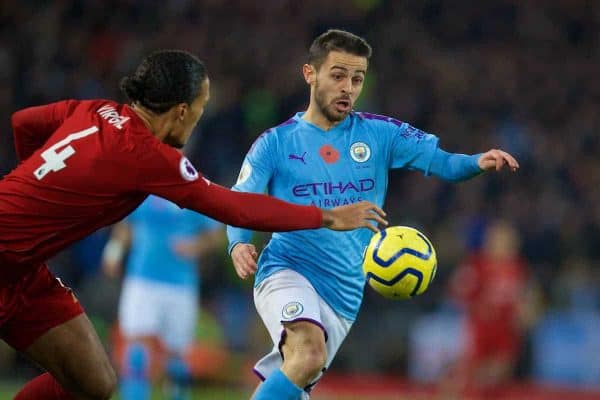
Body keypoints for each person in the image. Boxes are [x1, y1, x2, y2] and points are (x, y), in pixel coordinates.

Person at [0, 49, 387, 400]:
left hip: (23, 273)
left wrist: (33, 185)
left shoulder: (92, 111)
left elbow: (24, 123)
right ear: (183, 111)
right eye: (201, 108)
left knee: (93, 382)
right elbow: (236, 208)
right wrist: (326, 215)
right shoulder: (146, 156)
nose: (200, 119)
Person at [227, 29, 520, 400]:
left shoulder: (380, 134)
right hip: (288, 269)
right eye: (337, 76)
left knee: (298, 377)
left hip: (344, 294)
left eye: (357, 78)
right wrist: (238, 244)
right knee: (308, 353)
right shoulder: (275, 142)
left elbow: (440, 162)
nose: (348, 87)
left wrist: (477, 162)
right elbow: (242, 200)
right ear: (310, 74)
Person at [102, 194, 224, 400]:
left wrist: (196, 246)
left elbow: (217, 234)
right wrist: (113, 251)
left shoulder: (193, 191)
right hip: (142, 280)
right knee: (137, 348)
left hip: (180, 285)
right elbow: (127, 223)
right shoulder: (146, 190)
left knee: (177, 354)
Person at [444, 219, 532, 399]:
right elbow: (457, 293)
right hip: (480, 329)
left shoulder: (518, 268)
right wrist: (478, 306)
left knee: (498, 374)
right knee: (468, 375)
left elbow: (525, 297)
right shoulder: (477, 265)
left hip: (505, 331)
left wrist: (525, 311)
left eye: (508, 241)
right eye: (499, 240)